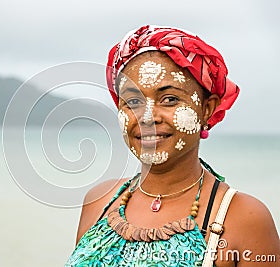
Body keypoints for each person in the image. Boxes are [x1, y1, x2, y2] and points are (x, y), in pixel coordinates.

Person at [65, 25, 280, 266]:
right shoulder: (99, 203)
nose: (147, 117)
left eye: (169, 99)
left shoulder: (243, 218)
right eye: (133, 101)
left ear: (207, 109)